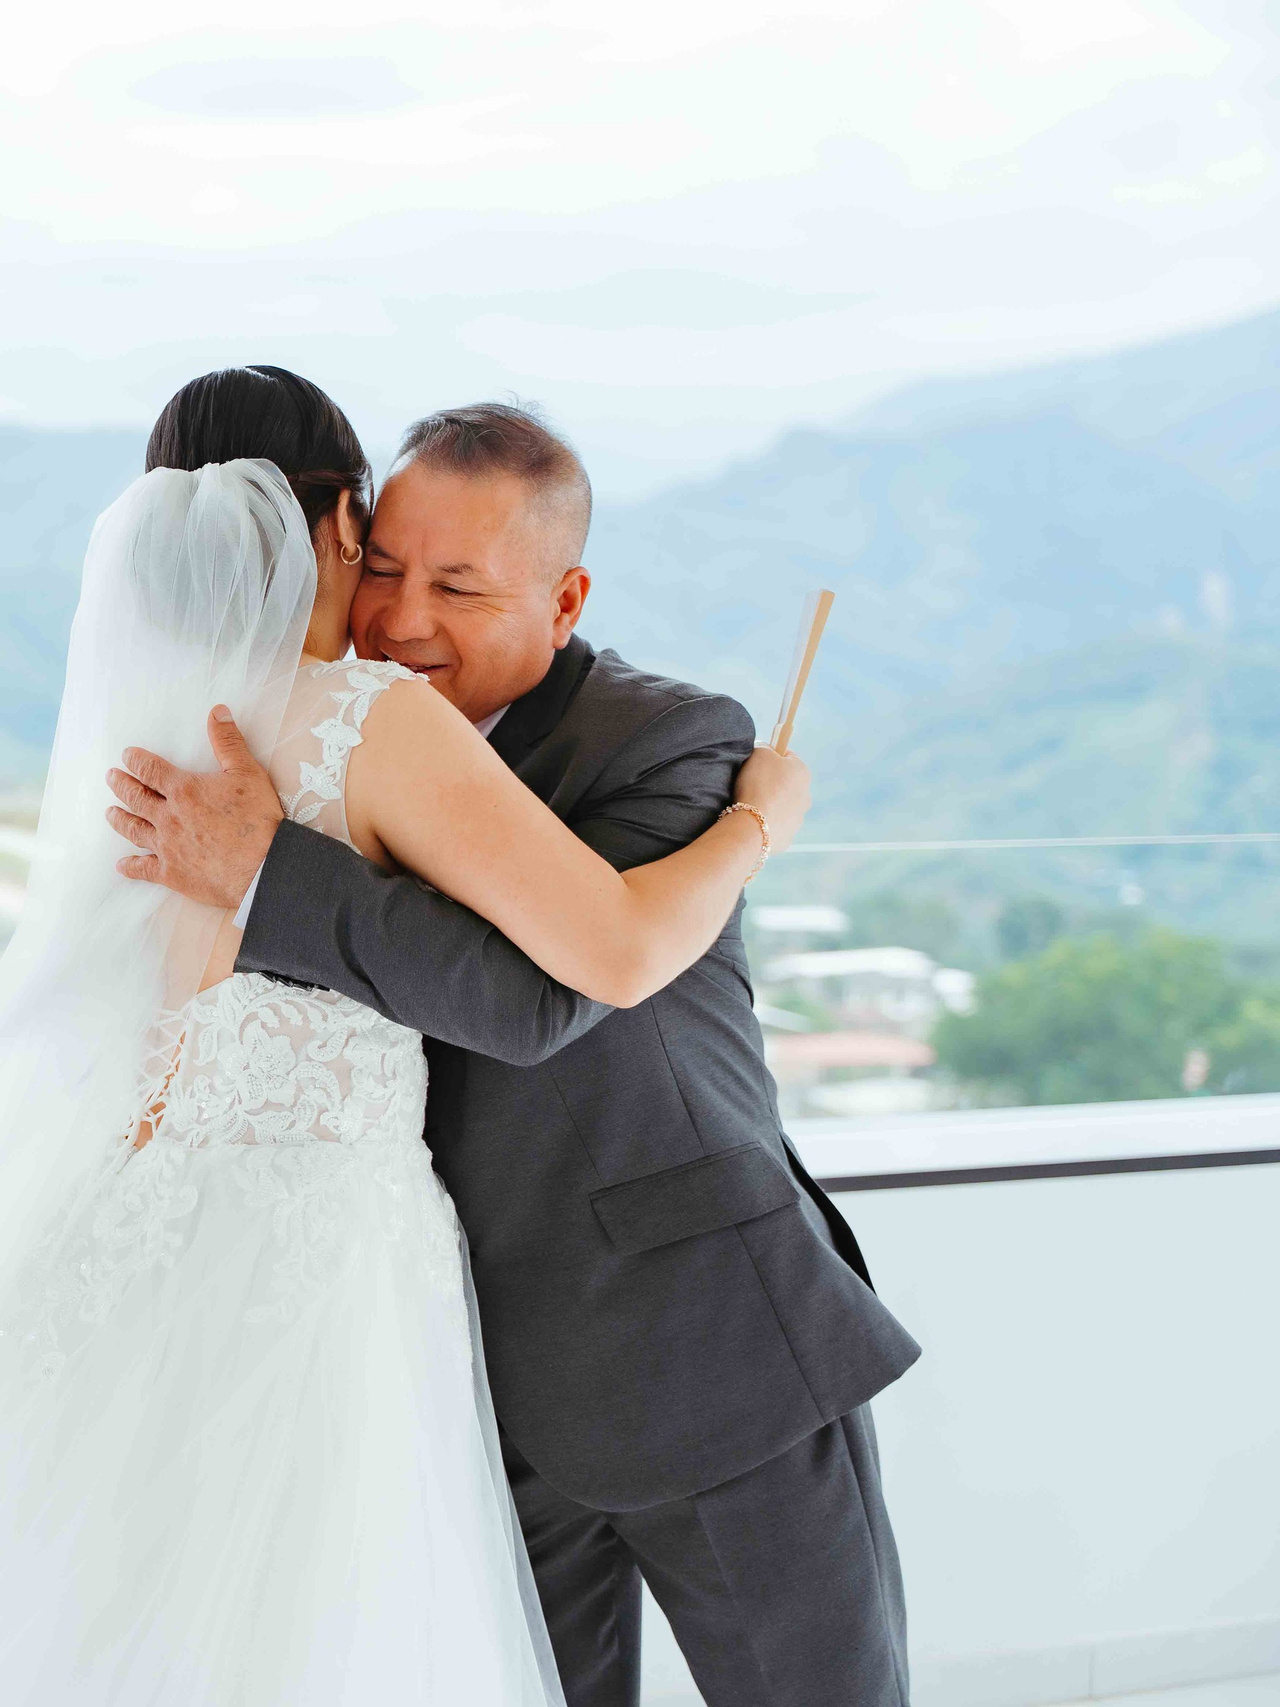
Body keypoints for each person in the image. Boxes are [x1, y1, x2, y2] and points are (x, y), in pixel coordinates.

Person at [0, 366, 810, 1705]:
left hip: (128, 1243)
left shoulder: (133, 737)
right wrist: (760, 819)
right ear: (335, 526)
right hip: (328, 1255)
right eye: (374, 544)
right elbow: (600, 956)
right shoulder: (367, 722)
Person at [110, 400, 921, 1707]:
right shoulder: (290, 736)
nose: (404, 617)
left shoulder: (673, 740)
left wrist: (272, 873)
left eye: (459, 586)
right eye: (382, 567)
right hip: (458, 1384)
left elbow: (536, 1001)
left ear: (566, 595)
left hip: (703, 1348)